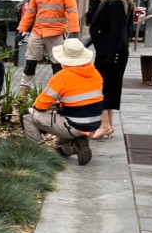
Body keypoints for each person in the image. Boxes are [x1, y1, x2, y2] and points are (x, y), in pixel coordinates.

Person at [21, 38, 104, 166]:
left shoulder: (62, 76)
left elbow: (40, 105)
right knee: (59, 149)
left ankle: (38, 152)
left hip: (73, 125)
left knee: (27, 115)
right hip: (92, 125)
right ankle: (75, 145)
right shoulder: (95, 73)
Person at [87, 0, 134, 140]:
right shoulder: (121, 2)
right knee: (110, 87)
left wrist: (110, 57)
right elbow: (90, 19)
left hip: (110, 52)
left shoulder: (116, 4)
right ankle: (109, 125)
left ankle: (105, 125)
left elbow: (117, 33)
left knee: (101, 87)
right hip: (112, 52)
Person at [17, 0, 79, 86]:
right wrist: (21, 30)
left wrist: (74, 30)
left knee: (57, 65)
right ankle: (23, 91)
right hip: (38, 32)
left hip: (56, 33)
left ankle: (58, 91)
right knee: (30, 63)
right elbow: (30, 12)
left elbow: (72, 12)